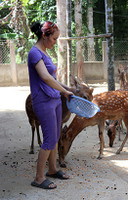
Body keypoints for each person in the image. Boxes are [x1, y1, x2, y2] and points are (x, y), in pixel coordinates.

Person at [28, 21, 73, 189]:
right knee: (48, 139)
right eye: (54, 38)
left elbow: (52, 79)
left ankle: (53, 169)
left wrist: (67, 88)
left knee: (55, 138)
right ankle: (39, 178)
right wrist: (65, 92)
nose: (56, 42)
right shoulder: (34, 53)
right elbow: (45, 77)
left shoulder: (45, 52)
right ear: (44, 36)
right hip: (43, 101)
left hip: (54, 100)